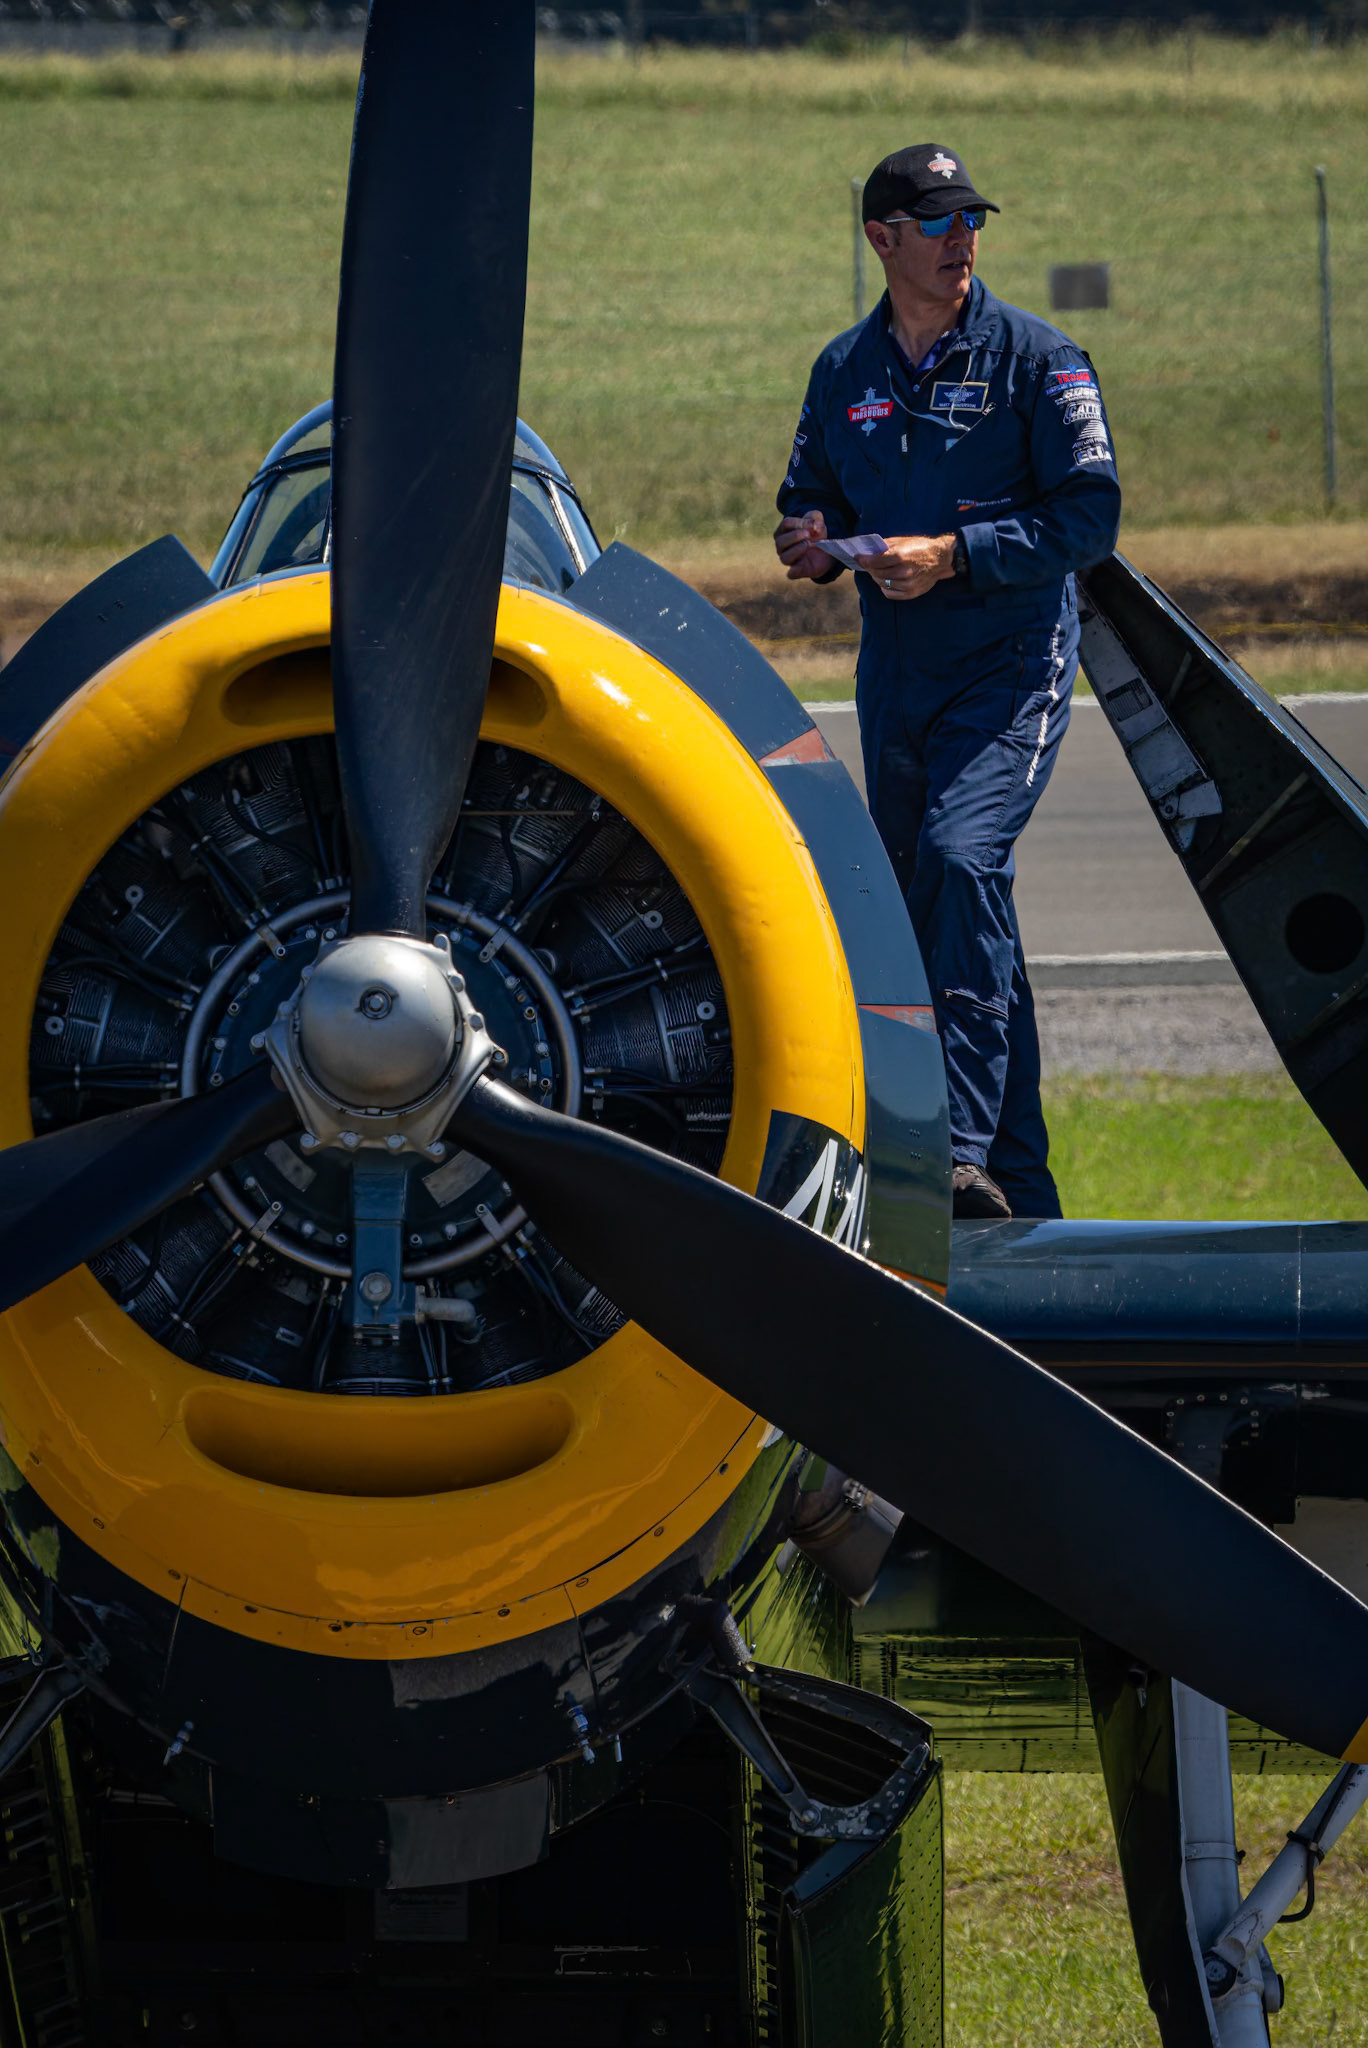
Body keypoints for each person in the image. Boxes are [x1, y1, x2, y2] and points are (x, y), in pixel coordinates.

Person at [775, 143, 1121, 1220]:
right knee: (927, 897)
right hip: (898, 674)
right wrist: (814, 543)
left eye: (970, 218)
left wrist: (957, 557)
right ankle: (1020, 1186)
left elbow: (1089, 518)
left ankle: (952, 1151)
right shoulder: (843, 372)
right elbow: (808, 499)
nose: (961, 236)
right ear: (882, 240)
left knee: (962, 861)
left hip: (1011, 663)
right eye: (937, 222)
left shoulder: (1041, 359)